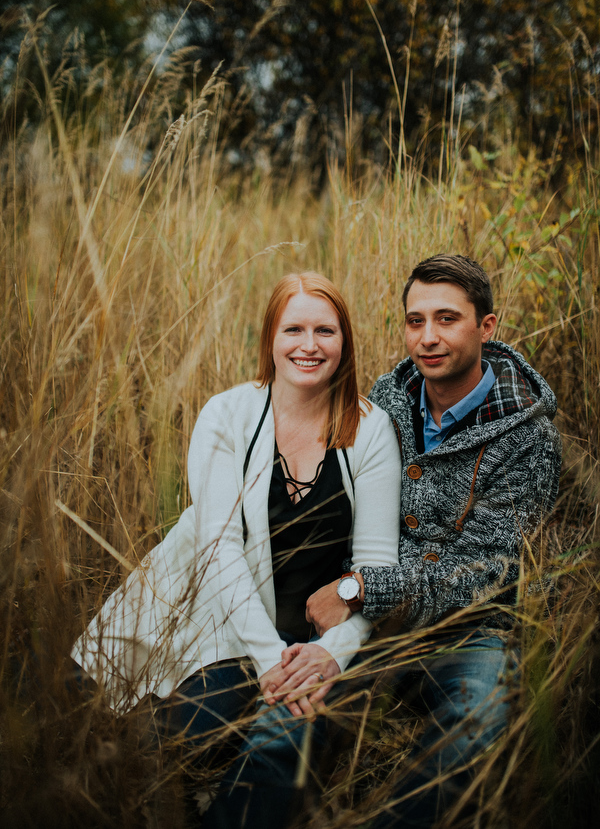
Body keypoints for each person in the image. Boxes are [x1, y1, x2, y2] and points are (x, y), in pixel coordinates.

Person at [207, 254, 562, 828]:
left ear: (487, 327)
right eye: (415, 320)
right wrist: (345, 616)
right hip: (369, 626)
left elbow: (485, 571)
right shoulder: (386, 402)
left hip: (465, 632)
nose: (428, 338)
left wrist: (360, 587)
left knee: (478, 719)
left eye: (447, 319)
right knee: (295, 708)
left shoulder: (528, 439)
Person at [71, 273, 401, 781]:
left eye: (325, 331)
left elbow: (376, 568)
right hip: (229, 623)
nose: (309, 346)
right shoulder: (227, 416)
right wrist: (270, 660)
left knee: (286, 750)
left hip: (315, 639)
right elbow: (218, 550)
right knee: (186, 742)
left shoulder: (370, 426)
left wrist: (329, 655)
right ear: (270, 338)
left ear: (345, 341)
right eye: (293, 330)